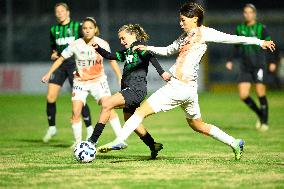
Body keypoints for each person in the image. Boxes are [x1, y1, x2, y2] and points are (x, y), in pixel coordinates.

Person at [98, 2, 275, 160]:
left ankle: (120, 140)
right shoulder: (183, 37)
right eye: (180, 19)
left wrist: (260, 42)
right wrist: (147, 47)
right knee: (197, 125)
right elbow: (168, 50)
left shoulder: (205, 33)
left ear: (195, 18)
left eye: (183, 20)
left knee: (140, 112)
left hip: (179, 86)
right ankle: (235, 142)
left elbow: (233, 38)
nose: (180, 23)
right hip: (189, 89)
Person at [88, 24, 171, 159]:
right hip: (131, 89)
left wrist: (162, 73)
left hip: (135, 89)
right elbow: (109, 56)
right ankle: (152, 145)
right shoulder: (127, 52)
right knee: (130, 119)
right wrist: (98, 48)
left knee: (107, 103)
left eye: (123, 38)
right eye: (120, 39)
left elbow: (151, 57)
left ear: (132, 34)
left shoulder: (139, 48)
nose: (121, 41)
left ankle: (92, 141)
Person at [42, 17, 123, 147]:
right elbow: (61, 59)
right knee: (75, 112)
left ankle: (120, 139)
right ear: (82, 30)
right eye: (85, 28)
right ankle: (78, 143)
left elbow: (112, 60)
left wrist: (119, 76)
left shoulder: (102, 43)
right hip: (80, 82)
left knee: (108, 106)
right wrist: (49, 73)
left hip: (98, 81)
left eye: (90, 28)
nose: (87, 30)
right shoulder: (75, 44)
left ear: (95, 29)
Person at [43, 3, 93, 143]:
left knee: (79, 97)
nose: (59, 13)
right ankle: (52, 128)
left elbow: (87, 40)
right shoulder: (54, 29)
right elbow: (53, 48)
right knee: (50, 97)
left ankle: (89, 128)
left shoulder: (77, 27)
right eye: (57, 11)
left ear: (68, 12)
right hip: (60, 64)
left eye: (62, 11)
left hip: (75, 64)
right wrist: (53, 54)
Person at [226, 4, 277, 132]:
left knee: (260, 92)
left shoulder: (261, 28)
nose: (248, 14)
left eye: (250, 12)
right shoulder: (240, 28)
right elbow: (236, 45)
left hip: (259, 65)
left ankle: (264, 122)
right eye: (245, 12)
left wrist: (272, 61)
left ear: (254, 14)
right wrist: (230, 60)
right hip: (245, 66)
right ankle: (261, 114)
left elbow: (270, 44)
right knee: (243, 95)